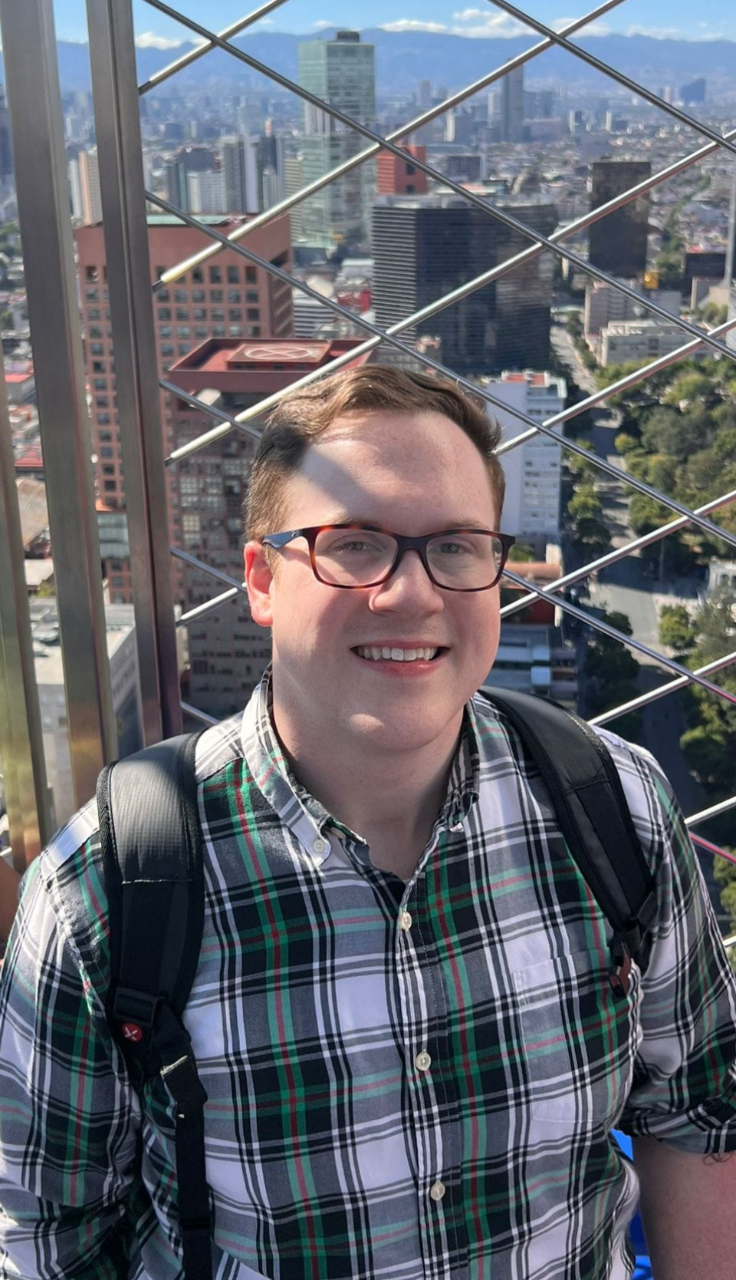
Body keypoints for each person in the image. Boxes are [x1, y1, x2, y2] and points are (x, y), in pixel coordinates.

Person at [1, 365, 735, 1280]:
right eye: (353, 545)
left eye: (457, 547)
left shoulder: (615, 807)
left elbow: (698, 1112)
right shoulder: (105, 892)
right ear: (263, 580)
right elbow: (50, 1238)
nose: (412, 593)